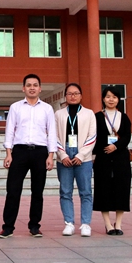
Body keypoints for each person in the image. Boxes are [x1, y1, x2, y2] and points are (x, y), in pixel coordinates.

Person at [0, 74, 57, 239]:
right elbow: (10, 130)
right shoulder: (15, 107)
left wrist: (51, 155)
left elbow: (52, 132)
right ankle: (8, 227)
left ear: (40, 88)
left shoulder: (47, 109)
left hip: (40, 152)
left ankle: (35, 226)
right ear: (23, 88)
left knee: (37, 191)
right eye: (29, 85)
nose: (32, 88)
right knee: (13, 190)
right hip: (19, 151)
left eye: (35, 85)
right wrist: (8, 153)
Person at [55, 83, 96, 237]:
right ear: (65, 96)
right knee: (65, 192)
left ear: (81, 95)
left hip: (83, 158)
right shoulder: (58, 114)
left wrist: (81, 155)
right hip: (64, 155)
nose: (73, 96)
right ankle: (69, 223)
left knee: (86, 192)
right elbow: (54, 136)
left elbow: (92, 137)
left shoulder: (89, 114)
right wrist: (63, 155)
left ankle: (85, 224)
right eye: (70, 93)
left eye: (76, 93)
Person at [93, 86, 132, 236]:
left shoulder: (124, 117)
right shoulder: (97, 117)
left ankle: (119, 223)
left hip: (121, 159)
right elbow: (93, 136)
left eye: (114, 97)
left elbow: (127, 136)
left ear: (118, 100)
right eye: (108, 96)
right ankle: (108, 224)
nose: (111, 100)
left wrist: (115, 146)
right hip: (103, 158)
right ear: (103, 99)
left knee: (121, 190)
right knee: (103, 190)